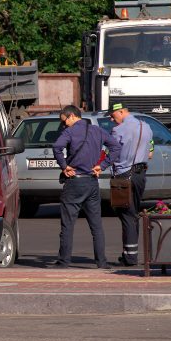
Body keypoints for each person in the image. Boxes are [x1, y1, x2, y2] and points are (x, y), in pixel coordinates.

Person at [51, 105, 122, 269]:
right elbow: (116, 147)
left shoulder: (69, 132)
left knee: (68, 224)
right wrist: (102, 166)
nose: (64, 125)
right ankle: (101, 262)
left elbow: (57, 147)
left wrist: (64, 166)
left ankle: (64, 261)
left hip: (74, 182)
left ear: (72, 116)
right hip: (91, 181)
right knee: (96, 225)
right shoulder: (97, 131)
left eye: (64, 121)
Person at [107, 103, 154, 266]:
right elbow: (151, 150)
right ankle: (130, 253)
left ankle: (130, 256)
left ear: (121, 112)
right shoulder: (146, 126)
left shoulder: (118, 130)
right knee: (132, 213)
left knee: (126, 214)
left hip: (124, 175)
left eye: (113, 116)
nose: (112, 120)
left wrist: (102, 164)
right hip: (141, 175)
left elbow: (112, 152)